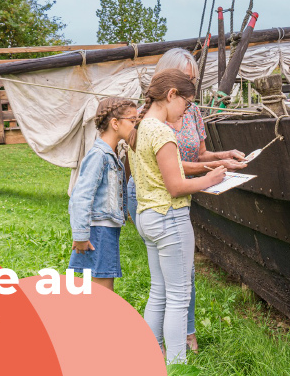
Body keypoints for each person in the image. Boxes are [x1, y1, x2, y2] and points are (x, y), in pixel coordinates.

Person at [127, 48, 247, 352]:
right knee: (179, 297)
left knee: (159, 291)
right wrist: (211, 178)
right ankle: (177, 365)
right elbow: (176, 184)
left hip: (147, 214)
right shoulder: (163, 133)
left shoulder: (139, 128)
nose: (186, 109)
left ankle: (151, 351)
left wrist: (215, 161)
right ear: (171, 94)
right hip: (169, 216)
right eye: (185, 101)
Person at [68, 98, 139, 291]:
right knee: (104, 290)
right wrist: (81, 235)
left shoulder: (111, 154)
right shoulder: (99, 155)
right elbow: (80, 196)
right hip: (99, 231)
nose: (135, 126)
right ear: (115, 123)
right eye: (132, 121)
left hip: (105, 230)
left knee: (102, 289)